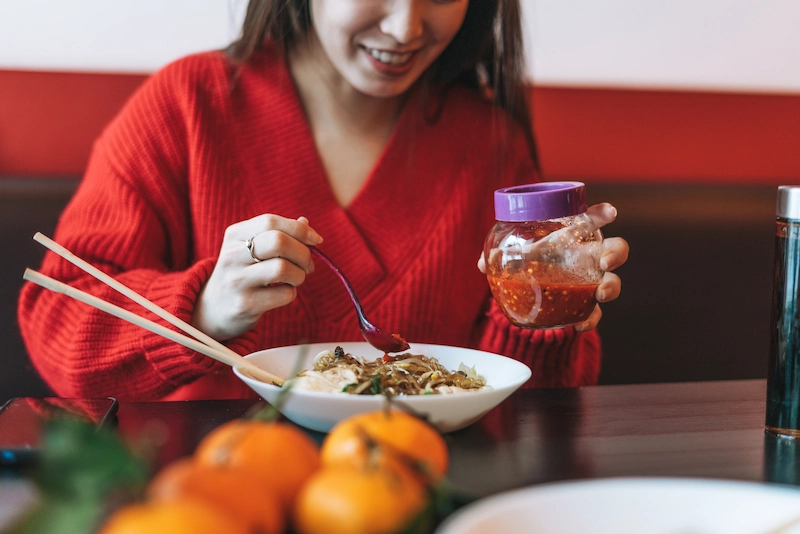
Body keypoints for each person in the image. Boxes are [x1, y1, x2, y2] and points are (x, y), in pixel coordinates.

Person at [18, 0, 629, 401]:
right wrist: (201, 309)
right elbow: (57, 325)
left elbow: (525, 408)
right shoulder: (188, 104)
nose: (405, 29)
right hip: (214, 497)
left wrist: (544, 313)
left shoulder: (488, 140)